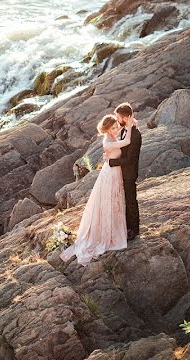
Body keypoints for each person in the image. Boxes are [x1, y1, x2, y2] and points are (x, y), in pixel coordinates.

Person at [59, 114, 134, 264]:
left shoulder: (111, 137)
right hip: (110, 175)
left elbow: (119, 135)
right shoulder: (108, 142)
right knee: (109, 201)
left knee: (114, 200)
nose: (115, 129)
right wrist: (130, 126)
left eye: (115, 127)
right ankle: (108, 233)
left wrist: (124, 126)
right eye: (112, 128)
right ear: (106, 130)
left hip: (113, 171)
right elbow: (127, 141)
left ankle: (115, 228)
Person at [106, 102, 141, 240]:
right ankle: (126, 226)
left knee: (131, 200)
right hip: (122, 172)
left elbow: (130, 159)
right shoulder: (126, 128)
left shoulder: (135, 135)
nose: (117, 120)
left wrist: (112, 162)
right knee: (124, 200)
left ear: (125, 118)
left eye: (118, 117)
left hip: (129, 173)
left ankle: (134, 229)